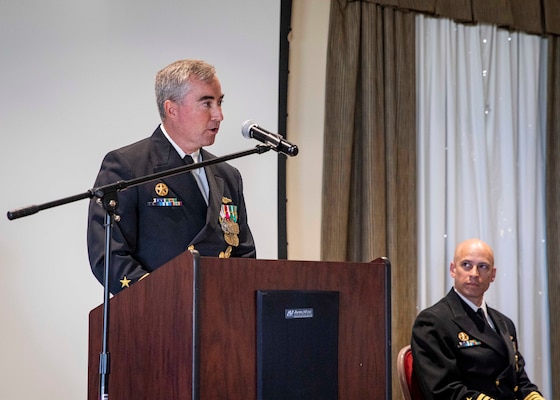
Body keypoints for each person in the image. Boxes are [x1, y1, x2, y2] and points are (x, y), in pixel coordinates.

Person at [87, 59, 256, 294]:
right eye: (207, 103)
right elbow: (109, 257)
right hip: (158, 316)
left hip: (218, 314)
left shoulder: (227, 176)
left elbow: (243, 254)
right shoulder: (128, 167)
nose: (219, 115)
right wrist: (163, 300)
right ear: (171, 109)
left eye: (219, 102)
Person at [411, 238, 545, 400]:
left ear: (492, 275)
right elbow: (444, 391)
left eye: (483, 266)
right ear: (453, 270)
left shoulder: (504, 323)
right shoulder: (433, 322)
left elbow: (520, 381)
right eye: (466, 265)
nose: (474, 274)